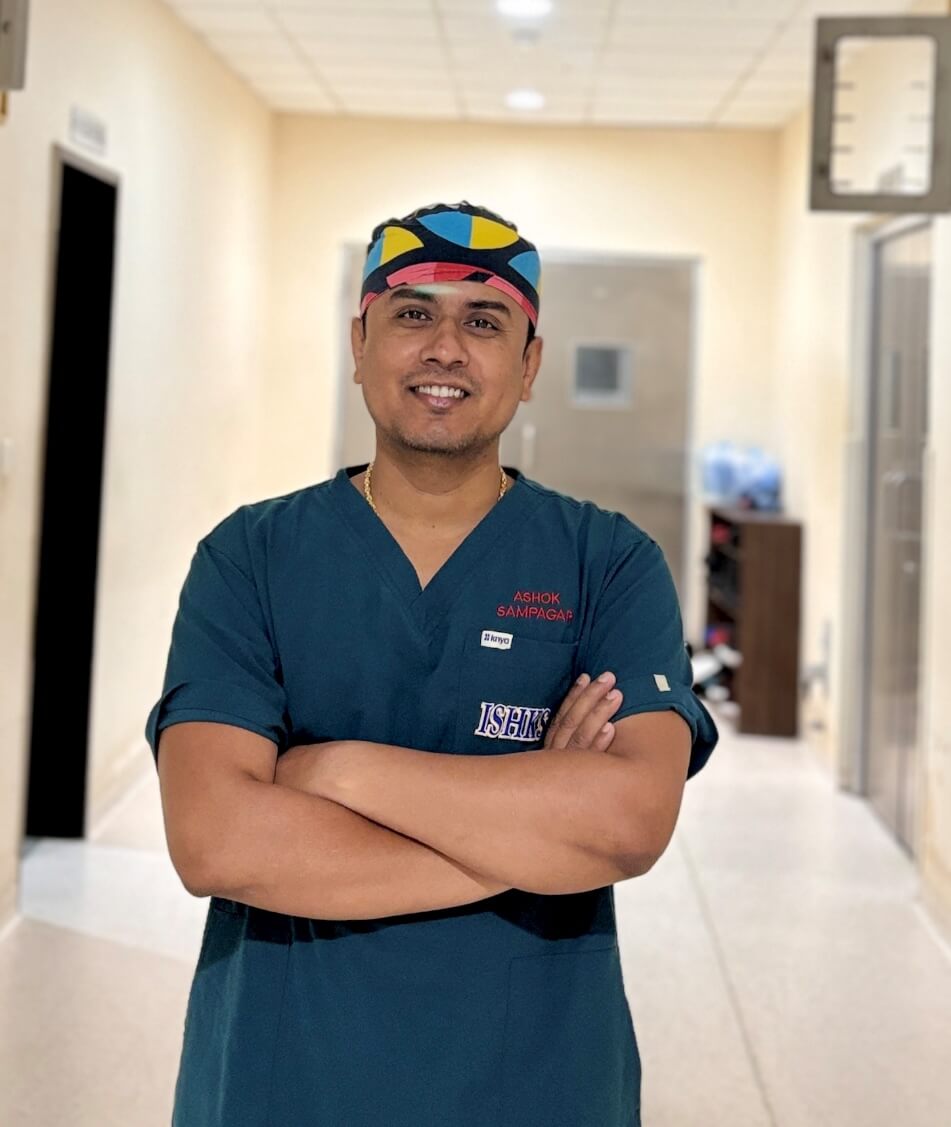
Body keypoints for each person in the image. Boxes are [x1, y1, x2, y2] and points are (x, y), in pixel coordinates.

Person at [147, 200, 719, 1127]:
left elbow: (625, 824)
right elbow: (216, 840)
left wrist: (336, 769)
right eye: (413, 313)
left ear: (528, 365)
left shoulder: (608, 562)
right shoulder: (250, 556)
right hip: (285, 1073)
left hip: (535, 1080)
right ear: (360, 342)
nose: (445, 348)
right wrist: (534, 832)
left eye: (484, 322)